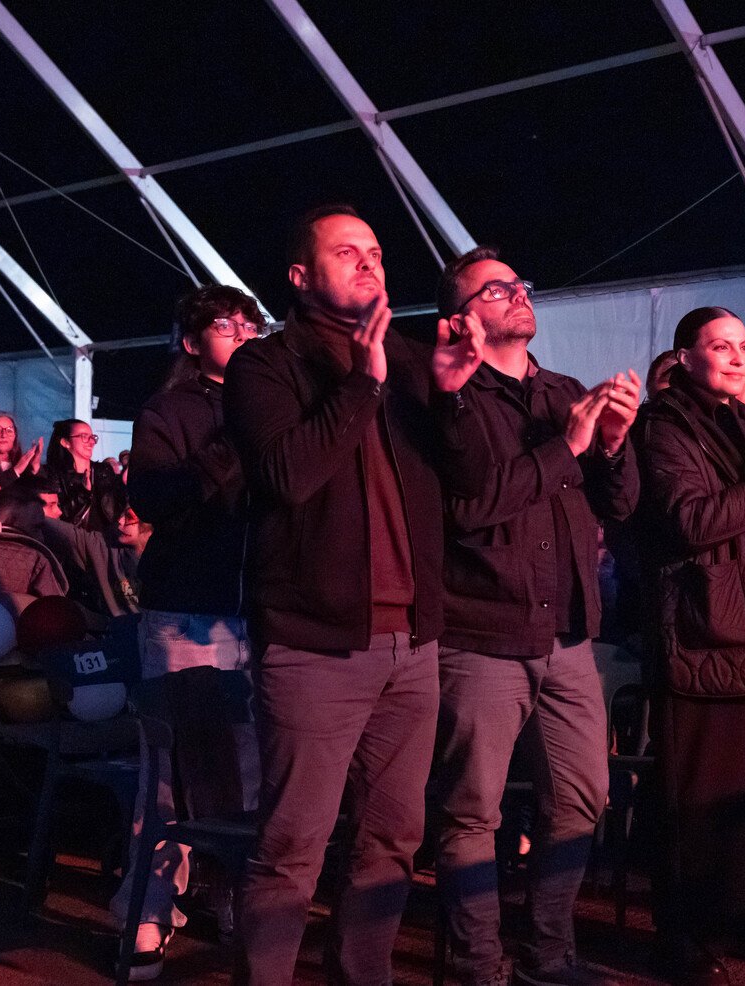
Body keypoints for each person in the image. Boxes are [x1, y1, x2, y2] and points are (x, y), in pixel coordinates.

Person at [225, 204, 486, 986]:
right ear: (301, 277)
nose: (371, 262)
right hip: (314, 645)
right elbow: (286, 476)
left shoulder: (410, 359)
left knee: (393, 840)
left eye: (376, 251)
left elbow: (470, 487)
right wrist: (362, 388)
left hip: (413, 644)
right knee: (292, 848)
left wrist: (450, 396)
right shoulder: (265, 367)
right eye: (348, 252)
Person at [432, 245, 638, 986]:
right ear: (464, 316)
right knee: (472, 812)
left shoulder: (564, 391)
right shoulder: (453, 396)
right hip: (483, 629)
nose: (517, 294)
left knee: (584, 798)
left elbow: (617, 505)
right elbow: (469, 507)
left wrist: (612, 447)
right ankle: (477, 964)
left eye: (520, 283)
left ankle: (548, 954)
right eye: (496, 288)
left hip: (569, 633)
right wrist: (570, 446)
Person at [632, 307, 745, 984]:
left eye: (743, 345)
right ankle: (684, 933)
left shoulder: (742, 420)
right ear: (684, 357)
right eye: (721, 346)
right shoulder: (663, 427)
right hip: (701, 628)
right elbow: (690, 522)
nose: (739, 358)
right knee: (701, 790)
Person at [106, 284, 264, 979]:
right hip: (185, 613)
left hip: (263, 611)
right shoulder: (169, 411)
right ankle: (147, 910)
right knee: (171, 774)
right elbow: (156, 498)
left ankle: (241, 898)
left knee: (254, 771)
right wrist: (232, 441)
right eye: (226, 325)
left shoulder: (279, 405)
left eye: (249, 322)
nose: (243, 332)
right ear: (193, 342)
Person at [46, 418, 126, 532]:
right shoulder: (56, 474)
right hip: (73, 541)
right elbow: (58, 515)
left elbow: (118, 506)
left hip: (104, 541)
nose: (91, 442)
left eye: (93, 437)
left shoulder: (104, 471)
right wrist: (83, 493)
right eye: (84, 436)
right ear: (65, 442)